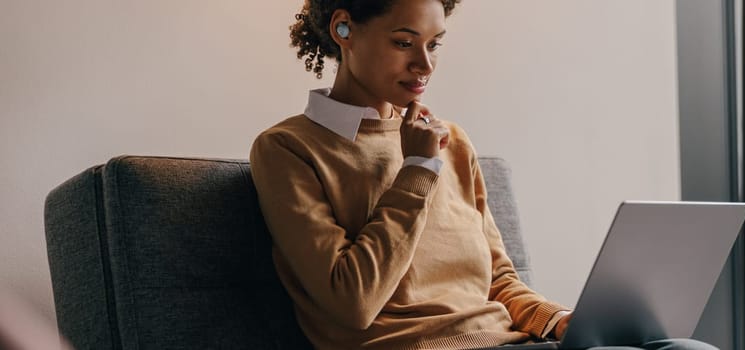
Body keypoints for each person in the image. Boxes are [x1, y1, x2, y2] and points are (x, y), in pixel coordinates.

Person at [249, 1, 717, 349]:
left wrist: (557, 320)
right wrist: (416, 169)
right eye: (404, 42)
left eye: (434, 44)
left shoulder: (451, 141)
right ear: (344, 28)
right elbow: (352, 301)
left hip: (512, 342)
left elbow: (499, 280)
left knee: (685, 348)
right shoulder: (288, 149)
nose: (425, 64)